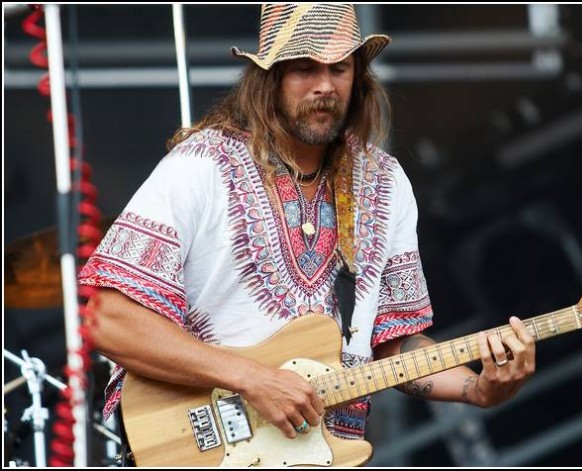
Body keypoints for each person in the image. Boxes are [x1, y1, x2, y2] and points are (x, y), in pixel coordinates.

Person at [79, 3, 535, 449]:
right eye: (304, 68)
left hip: (326, 452)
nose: (324, 85)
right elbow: (107, 320)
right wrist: (251, 378)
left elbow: (392, 345)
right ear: (269, 78)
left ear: (358, 77)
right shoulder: (202, 165)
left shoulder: (385, 182)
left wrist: (478, 390)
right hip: (207, 449)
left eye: (339, 68)